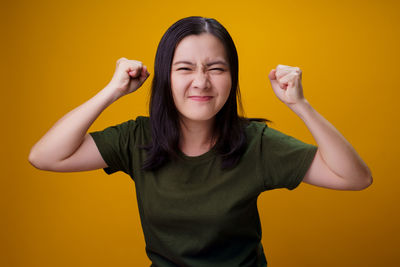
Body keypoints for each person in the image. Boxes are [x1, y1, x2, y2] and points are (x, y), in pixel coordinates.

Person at [28, 16, 372, 267]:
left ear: (232, 78)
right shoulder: (137, 138)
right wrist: (112, 91)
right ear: (165, 78)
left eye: (216, 68)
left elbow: (355, 178)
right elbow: (45, 156)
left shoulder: (257, 143)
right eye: (185, 69)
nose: (201, 82)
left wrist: (301, 105)